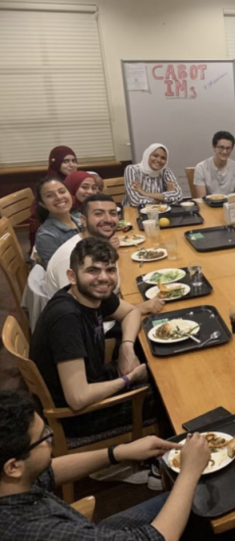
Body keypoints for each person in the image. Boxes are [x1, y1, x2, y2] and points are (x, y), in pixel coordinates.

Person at [0, 390, 213, 541]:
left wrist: (118, 452)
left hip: (82, 527)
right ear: (13, 467)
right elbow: (157, 538)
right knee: (203, 499)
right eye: (43, 438)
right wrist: (189, 471)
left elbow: (49, 472)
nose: (50, 439)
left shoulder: (12, 483)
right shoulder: (34, 531)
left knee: (193, 498)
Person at [30, 238, 154, 438]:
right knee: (170, 393)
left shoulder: (90, 294)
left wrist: (126, 347)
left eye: (110, 270)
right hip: (77, 418)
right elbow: (77, 398)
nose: (103, 278)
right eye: (93, 270)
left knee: (156, 364)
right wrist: (128, 379)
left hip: (94, 384)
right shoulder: (67, 319)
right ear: (72, 276)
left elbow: (131, 312)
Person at [45, 193, 165, 316]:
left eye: (113, 213)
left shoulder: (100, 245)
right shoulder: (71, 255)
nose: (108, 219)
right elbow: (81, 312)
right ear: (83, 220)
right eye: (98, 214)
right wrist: (137, 308)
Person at [28, 146, 79, 248]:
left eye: (74, 161)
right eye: (66, 161)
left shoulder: (76, 182)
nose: (71, 165)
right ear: (55, 163)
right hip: (55, 243)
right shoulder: (46, 186)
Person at [33, 178, 82, 269]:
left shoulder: (80, 218)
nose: (59, 197)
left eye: (62, 191)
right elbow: (56, 271)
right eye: (49, 196)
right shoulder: (46, 236)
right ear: (43, 204)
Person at [193, 131, 235, 197]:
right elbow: (201, 199)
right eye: (221, 147)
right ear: (214, 148)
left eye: (228, 148)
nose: (224, 151)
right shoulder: (201, 168)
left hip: (230, 205)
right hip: (209, 205)